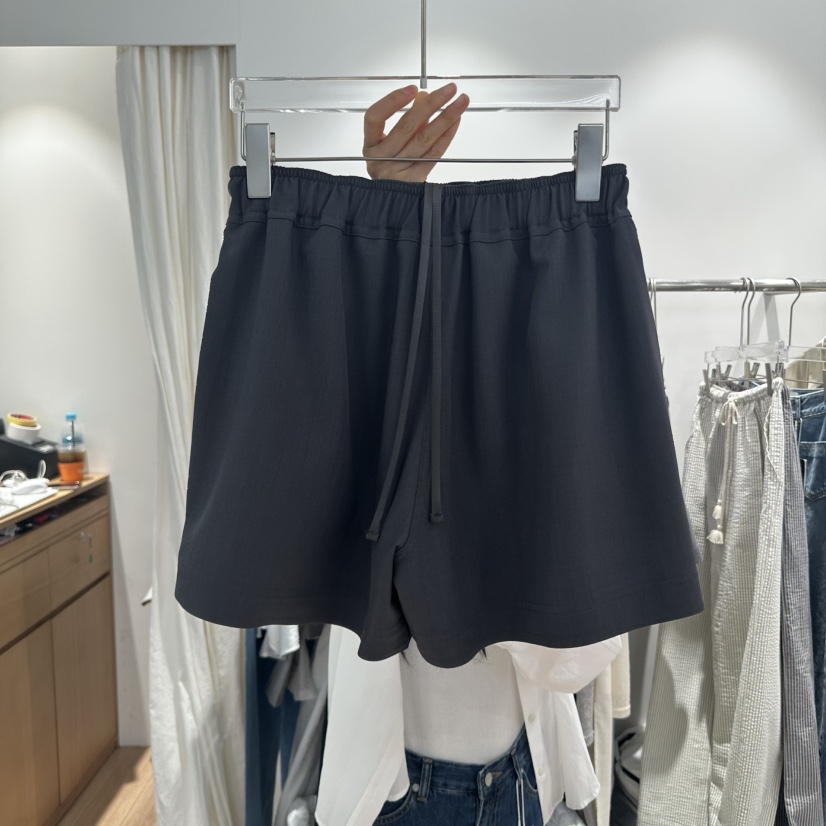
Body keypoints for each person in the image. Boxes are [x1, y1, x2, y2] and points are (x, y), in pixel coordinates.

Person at [313, 84, 619, 826]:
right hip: (404, 782)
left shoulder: (535, 419)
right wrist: (387, 202)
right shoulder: (375, 405)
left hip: (515, 772)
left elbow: (578, 656)